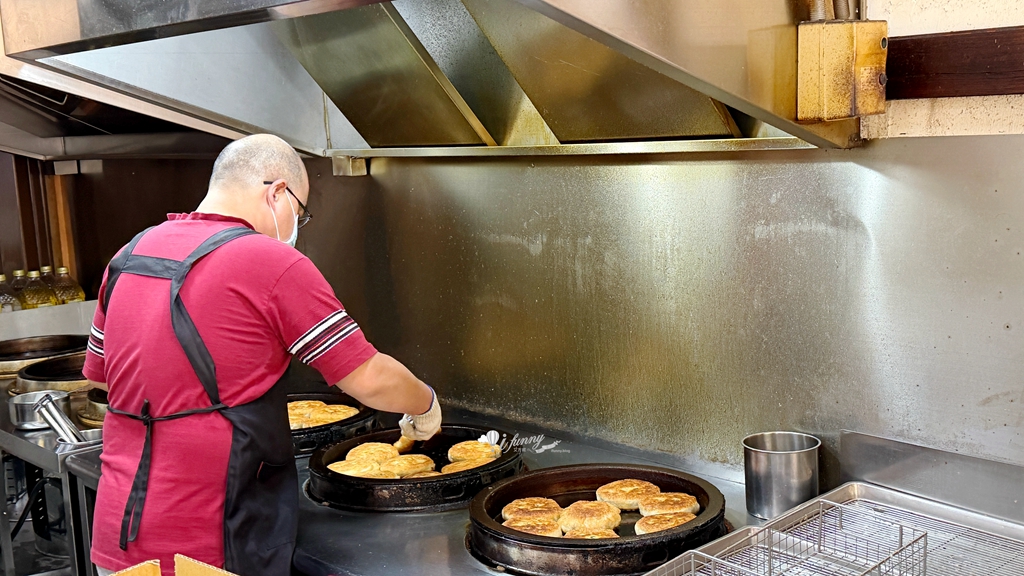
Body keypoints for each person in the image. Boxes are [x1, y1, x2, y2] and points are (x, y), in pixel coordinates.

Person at [82, 134, 442, 576]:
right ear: (276, 193)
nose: (296, 225)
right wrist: (424, 403)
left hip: (121, 531)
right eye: (301, 211)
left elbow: (102, 379)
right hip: (210, 542)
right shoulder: (266, 260)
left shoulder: (130, 254)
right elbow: (367, 377)